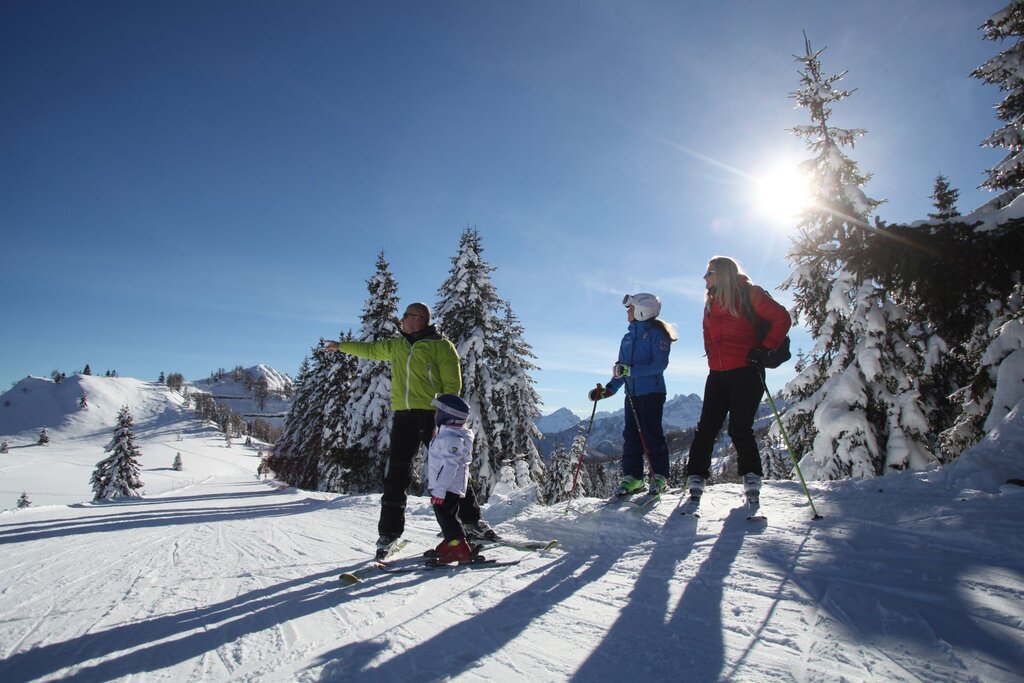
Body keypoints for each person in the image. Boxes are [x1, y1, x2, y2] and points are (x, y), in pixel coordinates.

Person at [323, 301, 496, 558]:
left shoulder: (441, 346)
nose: (401, 319)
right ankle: (389, 533)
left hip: (433, 416)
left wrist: (446, 414)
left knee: (451, 469)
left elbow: (452, 384)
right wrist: (342, 347)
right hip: (403, 416)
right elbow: (370, 350)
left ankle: (471, 522)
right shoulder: (397, 345)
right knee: (396, 475)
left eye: (406, 315)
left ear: (419, 318)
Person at [684, 256, 792, 507]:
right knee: (706, 428)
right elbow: (707, 333)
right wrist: (712, 356)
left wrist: (763, 349)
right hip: (717, 374)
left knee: (739, 427)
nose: (705, 277)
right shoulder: (710, 302)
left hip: (747, 370)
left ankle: (751, 477)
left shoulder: (750, 294)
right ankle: (696, 476)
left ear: (722, 273)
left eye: (709, 272)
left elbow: (782, 318)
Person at [589, 292, 677, 496]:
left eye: (631, 308)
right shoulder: (627, 338)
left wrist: (631, 371)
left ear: (642, 311)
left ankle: (660, 476)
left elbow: (659, 365)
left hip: (652, 392)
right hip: (631, 394)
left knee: (651, 434)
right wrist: (608, 390)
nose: (627, 311)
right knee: (631, 436)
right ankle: (634, 478)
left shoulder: (657, 334)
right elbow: (622, 370)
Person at [426, 394, 477, 565]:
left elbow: (450, 466)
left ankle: (459, 549)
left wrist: (440, 490)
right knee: (446, 516)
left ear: (446, 415)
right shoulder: (449, 434)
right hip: (445, 485)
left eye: (437, 411)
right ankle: (451, 541)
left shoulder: (451, 438)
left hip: (447, 486)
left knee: (446, 516)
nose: (435, 414)